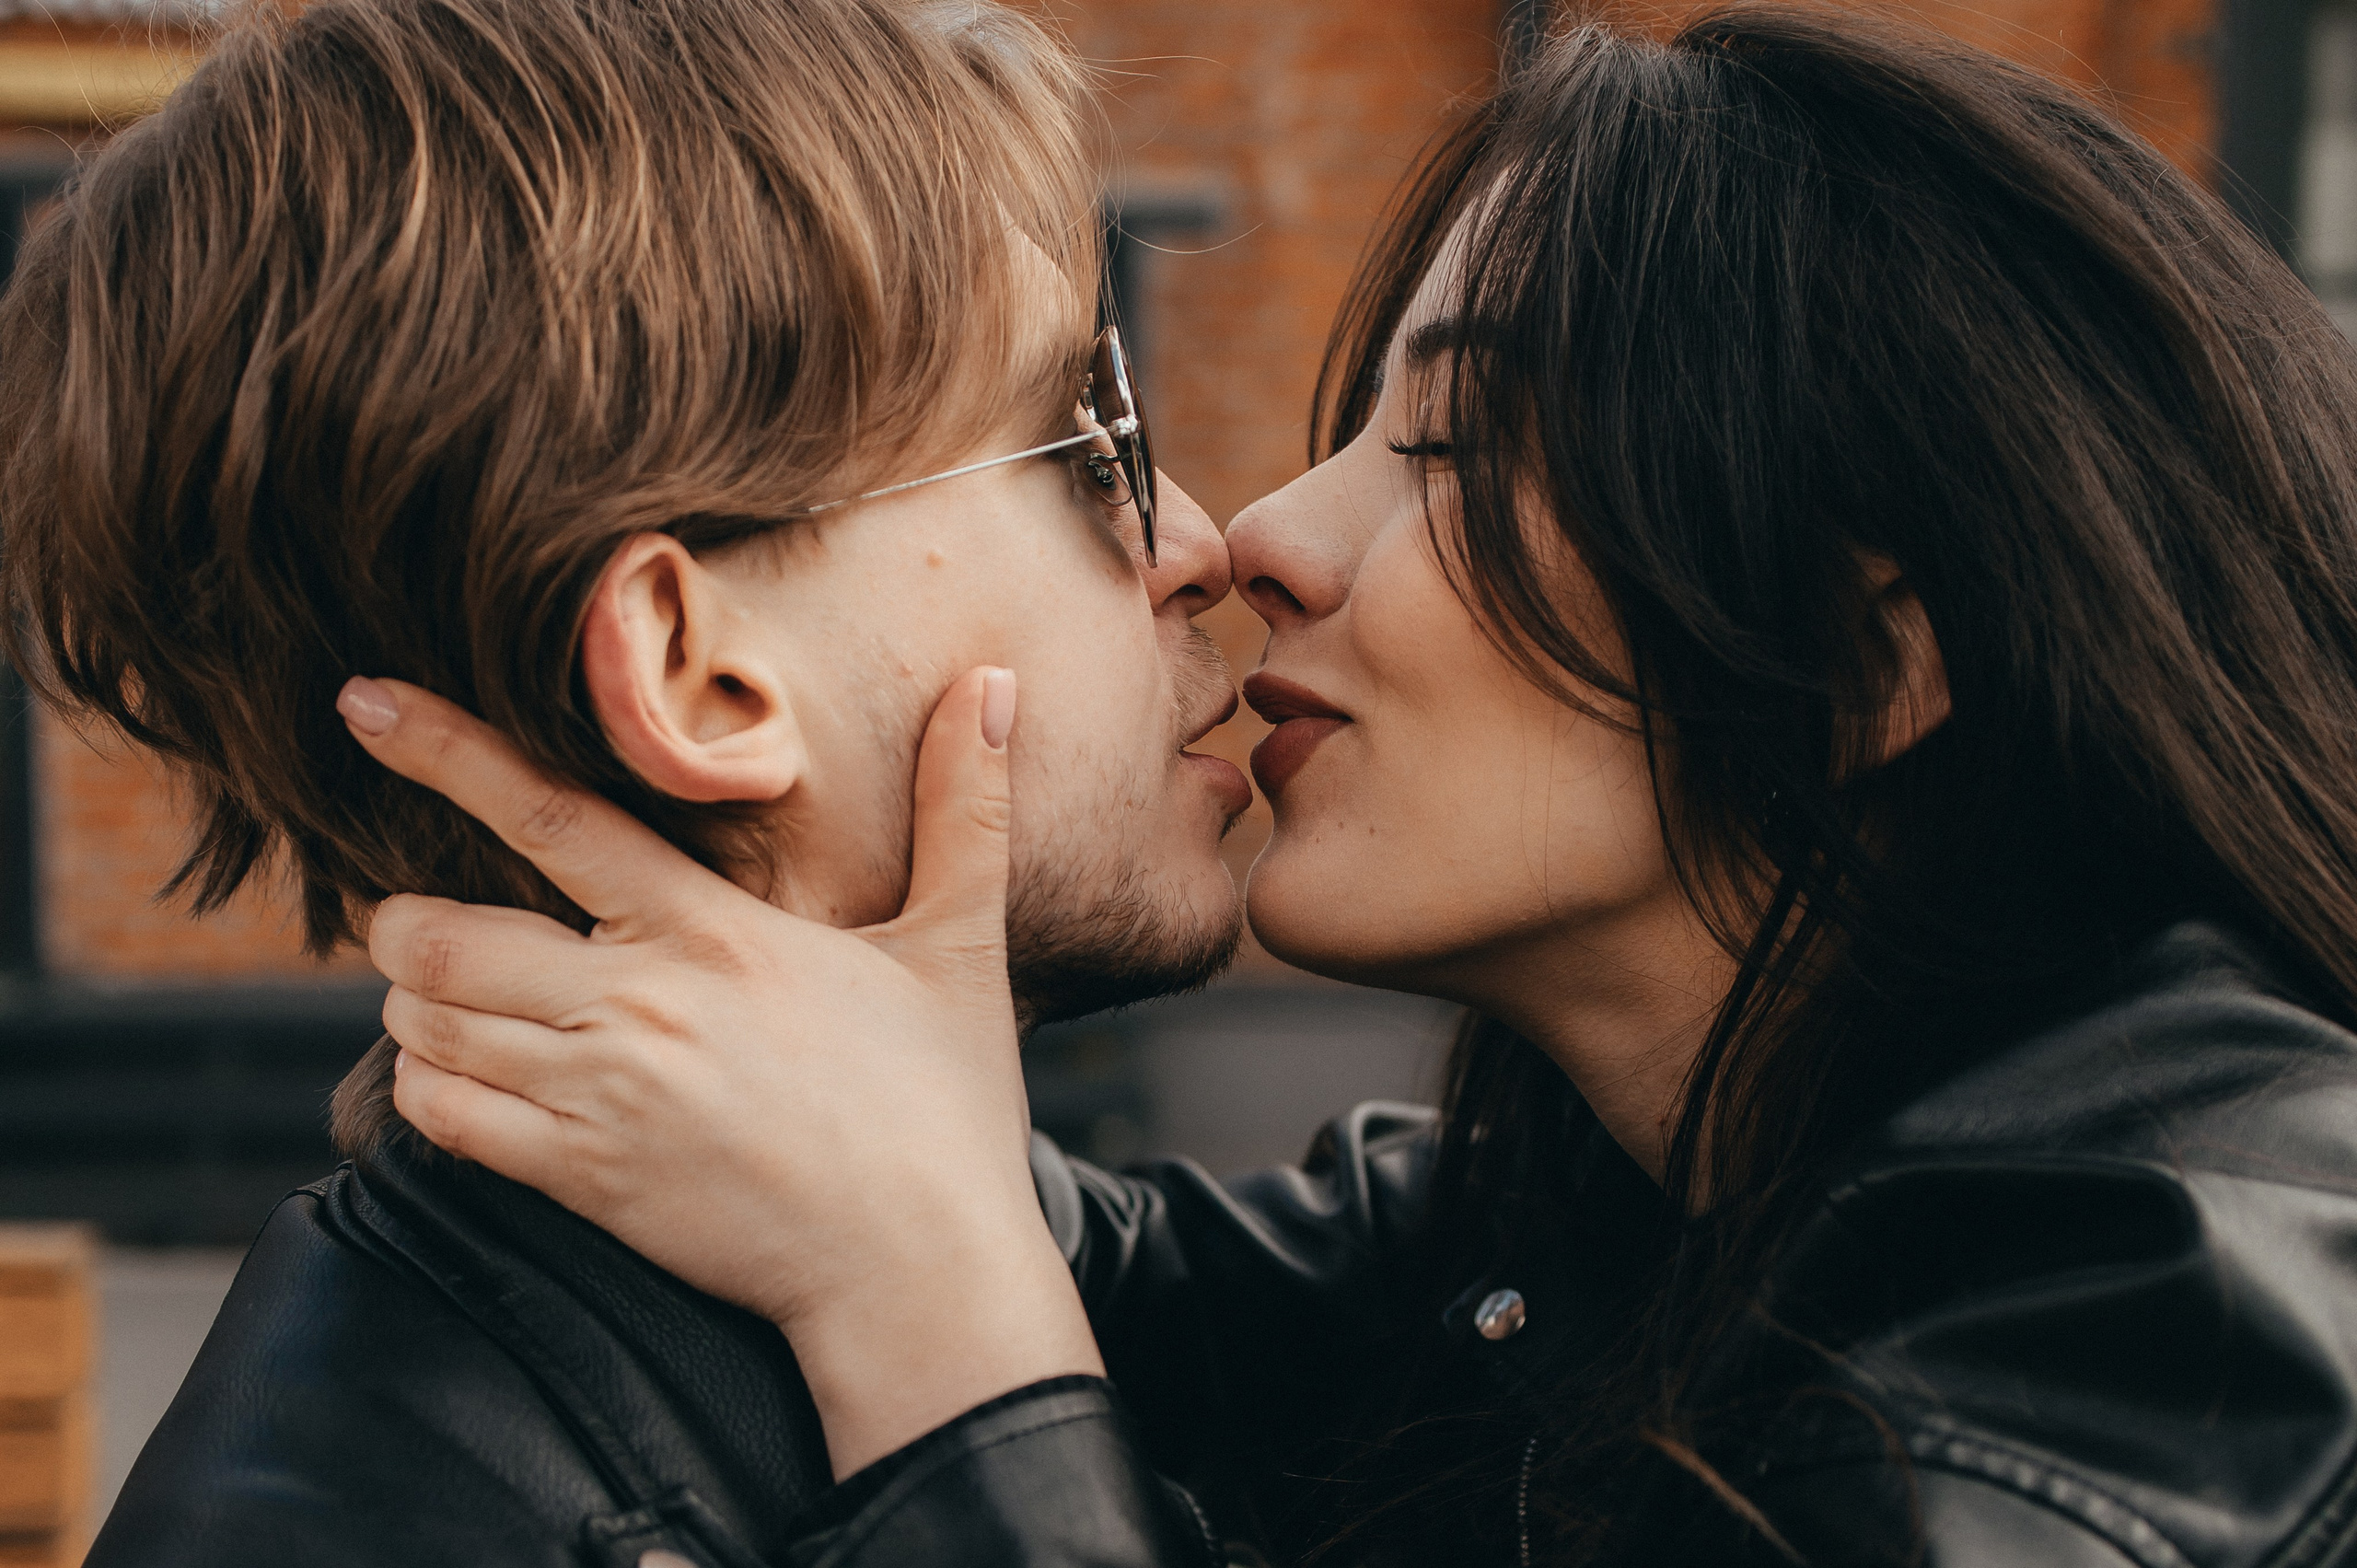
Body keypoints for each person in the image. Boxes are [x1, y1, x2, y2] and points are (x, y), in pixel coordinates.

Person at [355, 6, 2357, 1566]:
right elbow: (1061, 1243)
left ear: (1864, 661)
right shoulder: (1605, 1215)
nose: (1258, 541)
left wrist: (936, 1324)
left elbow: (957, 1251)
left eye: (1456, 450)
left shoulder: (2147, 1336)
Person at [0, 0, 1248, 1562]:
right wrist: (948, 1335)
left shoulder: (1007, 1216)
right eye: (1088, 440)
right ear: (700, 674)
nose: (1198, 545)